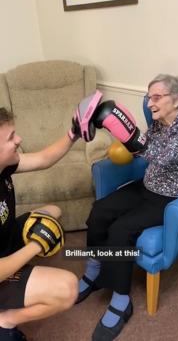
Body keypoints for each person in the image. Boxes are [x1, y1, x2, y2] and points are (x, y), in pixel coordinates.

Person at [76, 74, 178, 341]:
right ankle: (94, 271)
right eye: (148, 97)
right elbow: (141, 152)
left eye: (156, 97)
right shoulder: (158, 124)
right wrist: (119, 131)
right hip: (147, 186)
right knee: (100, 210)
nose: (150, 103)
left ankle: (122, 300)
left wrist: (130, 134)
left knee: (122, 230)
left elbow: (164, 158)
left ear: (177, 98)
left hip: (172, 197)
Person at [0, 105, 84, 341]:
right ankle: (5, 320)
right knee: (68, 289)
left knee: (51, 212)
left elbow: (44, 159)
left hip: (4, 243)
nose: (19, 139)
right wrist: (36, 245)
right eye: (10, 138)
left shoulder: (4, 166)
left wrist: (73, 133)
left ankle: (22, 270)